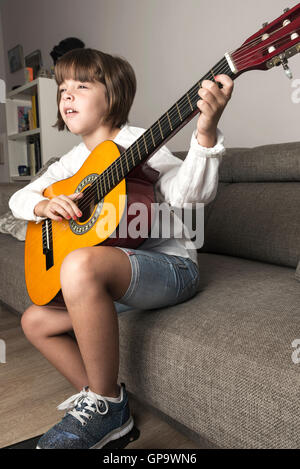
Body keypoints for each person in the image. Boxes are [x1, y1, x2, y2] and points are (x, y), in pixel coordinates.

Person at [9, 48, 234, 449]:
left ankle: (105, 405)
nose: (67, 95)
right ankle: (108, 406)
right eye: (62, 88)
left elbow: (189, 196)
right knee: (34, 321)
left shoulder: (138, 142)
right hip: (120, 275)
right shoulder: (71, 163)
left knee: (78, 263)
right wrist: (43, 204)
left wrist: (205, 134)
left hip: (170, 268)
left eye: (81, 85)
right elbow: (18, 200)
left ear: (111, 95)